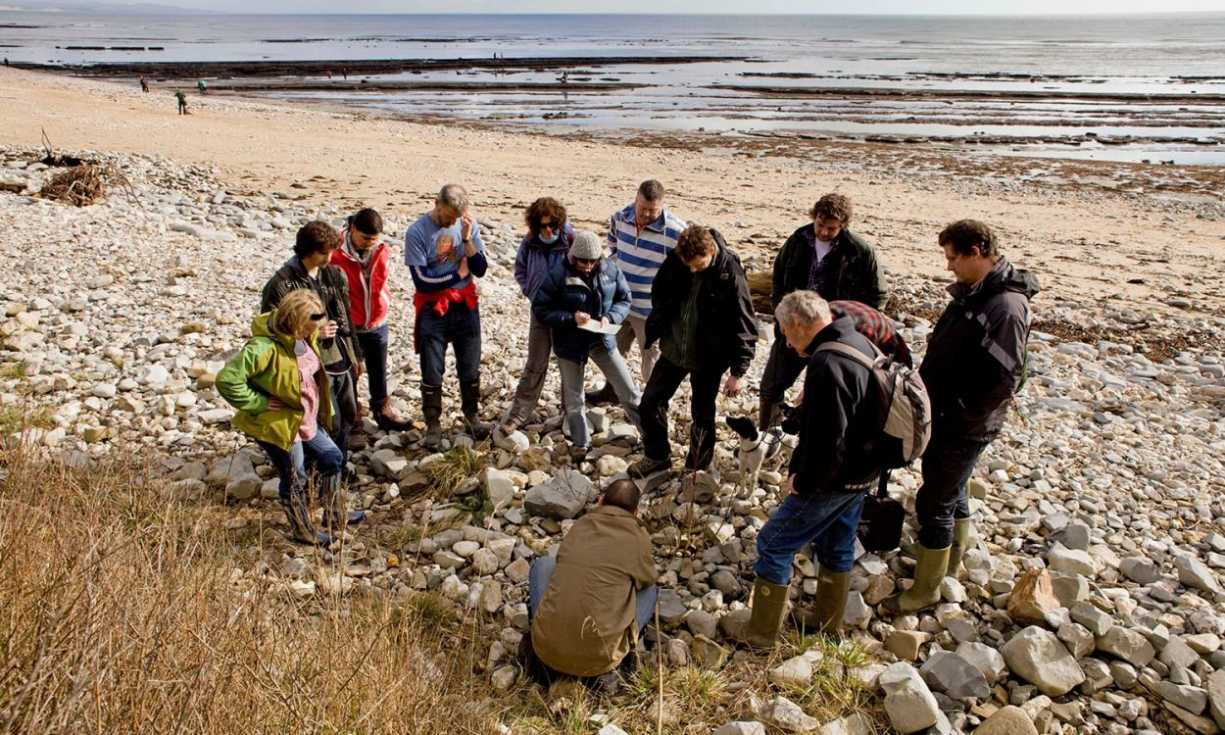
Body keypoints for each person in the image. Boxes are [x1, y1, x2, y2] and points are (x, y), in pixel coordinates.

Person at [890, 220, 1038, 613]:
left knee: (934, 501)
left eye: (953, 257)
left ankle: (926, 589)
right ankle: (950, 562)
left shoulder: (1004, 306)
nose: (948, 266)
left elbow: (1003, 380)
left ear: (977, 251)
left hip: (963, 425)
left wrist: (954, 415)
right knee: (952, 489)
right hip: (947, 413)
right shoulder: (977, 293)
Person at [727, 291, 884, 647]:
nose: (784, 339)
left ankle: (761, 634)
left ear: (797, 324)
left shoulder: (828, 363)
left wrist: (804, 479)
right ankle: (828, 624)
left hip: (836, 477)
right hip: (866, 469)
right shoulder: (857, 341)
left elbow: (830, 438)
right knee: (837, 543)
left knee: (773, 543)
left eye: (784, 331)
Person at [216, 290, 345, 544]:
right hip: (282, 424)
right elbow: (227, 380)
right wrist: (259, 402)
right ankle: (303, 531)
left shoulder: (305, 337)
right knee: (295, 476)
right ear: (295, 323)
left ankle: (334, 515)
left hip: (306, 419)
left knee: (333, 457)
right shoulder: (263, 348)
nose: (312, 333)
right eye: (308, 328)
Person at [628, 224, 757, 478]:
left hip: (709, 356)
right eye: (689, 266)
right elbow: (660, 291)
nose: (693, 270)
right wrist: (661, 325)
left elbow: (745, 321)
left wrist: (738, 371)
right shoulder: (678, 259)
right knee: (650, 403)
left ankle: (697, 466)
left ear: (711, 251)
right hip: (675, 348)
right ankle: (657, 457)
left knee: (702, 413)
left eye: (699, 265)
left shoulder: (729, 270)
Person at [759, 193, 888, 430]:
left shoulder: (860, 251)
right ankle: (767, 439)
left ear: (843, 225)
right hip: (794, 327)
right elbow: (779, 275)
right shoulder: (798, 239)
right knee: (771, 387)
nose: (824, 232)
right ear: (814, 217)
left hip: (834, 332)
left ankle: (809, 442)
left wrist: (856, 326)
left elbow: (878, 295)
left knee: (825, 394)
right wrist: (780, 310)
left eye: (831, 228)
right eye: (820, 225)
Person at [526, 479, 657, 692]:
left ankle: (544, 627)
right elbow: (648, 579)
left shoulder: (581, 525)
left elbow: (562, 564)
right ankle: (623, 657)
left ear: (600, 501)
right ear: (636, 512)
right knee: (651, 590)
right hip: (600, 660)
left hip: (546, 649)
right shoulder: (639, 538)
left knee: (543, 565)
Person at [260, 221, 364, 475]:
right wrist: (314, 332)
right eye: (323, 253)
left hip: (339, 358)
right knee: (318, 416)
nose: (329, 257)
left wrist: (356, 355)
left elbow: (346, 317)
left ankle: (337, 467)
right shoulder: (281, 284)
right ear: (307, 251)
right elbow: (272, 329)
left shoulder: (332, 275)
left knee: (345, 415)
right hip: (307, 364)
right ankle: (314, 468)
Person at [532, 230, 640, 459]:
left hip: (602, 339)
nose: (588, 266)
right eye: (583, 261)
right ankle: (581, 444)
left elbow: (624, 299)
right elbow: (541, 309)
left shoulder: (611, 269)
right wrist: (571, 318)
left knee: (628, 391)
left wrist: (610, 317)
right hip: (569, 344)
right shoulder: (557, 274)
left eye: (593, 261)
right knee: (574, 399)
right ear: (573, 257)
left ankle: (652, 440)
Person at [404, 184, 492, 447]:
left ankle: (472, 416)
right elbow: (421, 281)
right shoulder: (417, 232)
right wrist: (457, 275)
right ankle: (432, 422)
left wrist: (466, 240)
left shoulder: (466, 226)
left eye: (455, 217)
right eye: (447, 216)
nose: (451, 221)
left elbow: (481, 268)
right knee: (432, 369)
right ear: (436, 203)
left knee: (470, 365)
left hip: (465, 306)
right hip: (434, 309)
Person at [586, 179, 686, 406]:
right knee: (613, 351)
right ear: (636, 199)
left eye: (653, 211)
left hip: (650, 311)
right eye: (643, 209)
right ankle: (611, 391)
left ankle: (656, 405)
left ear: (662, 206)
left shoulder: (676, 231)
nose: (647, 215)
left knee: (650, 360)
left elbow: (686, 269)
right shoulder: (619, 218)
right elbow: (613, 249)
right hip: (620, 305)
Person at [329, 208, 413, 432]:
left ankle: (382, 411)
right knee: (350, 373)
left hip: (377, 322)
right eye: (366, 238)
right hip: (349, 326)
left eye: (374, 239)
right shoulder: (334, 253)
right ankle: (352, 416)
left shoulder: (381, 250)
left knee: (378, 369)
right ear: (352, 229)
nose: (370, 243)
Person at [504, 197, 574, 430]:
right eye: (542, 226)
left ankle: (571, 416)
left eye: (551, 225)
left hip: (566, 313)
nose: (547, 230)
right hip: (540, 311)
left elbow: (587, 271)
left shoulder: (571, 241)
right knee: (535, 363)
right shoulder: (530, 242)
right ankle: (519, 414)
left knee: (568, 364)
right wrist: (531, 292)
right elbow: (520, 269)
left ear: (559, 223)